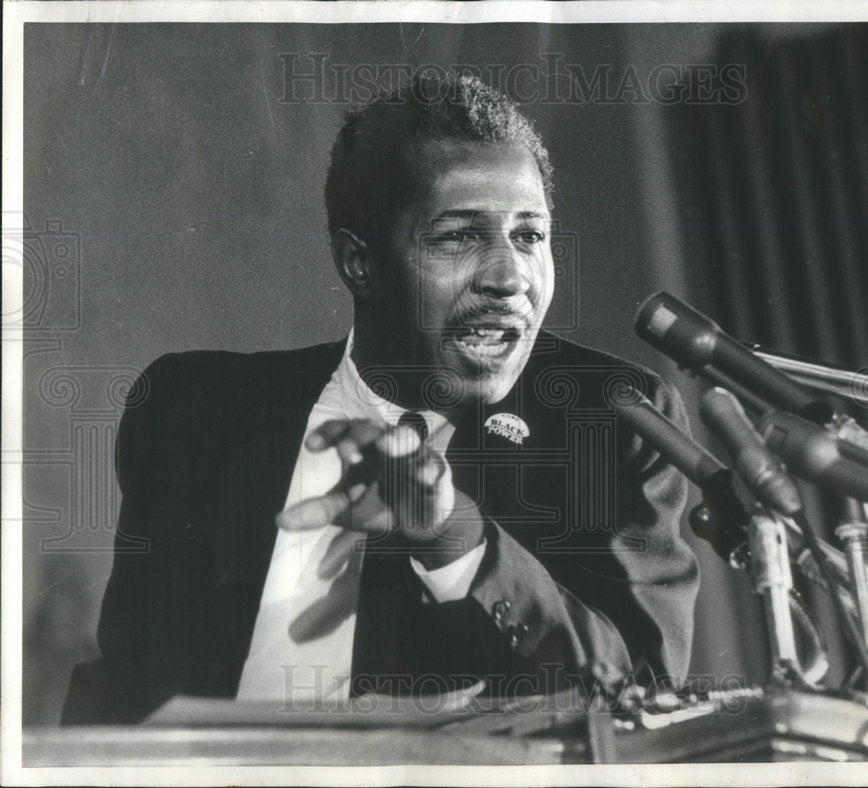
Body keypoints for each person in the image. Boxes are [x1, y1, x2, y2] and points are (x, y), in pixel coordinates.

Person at [62, 73, 699, 725]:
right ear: (359, 264)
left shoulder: (611, 416)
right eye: (459, 235)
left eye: (529, 236)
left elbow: (643, 695)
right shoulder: (196, 409)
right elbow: (125, 687)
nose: (511, 277)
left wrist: (456, 538)